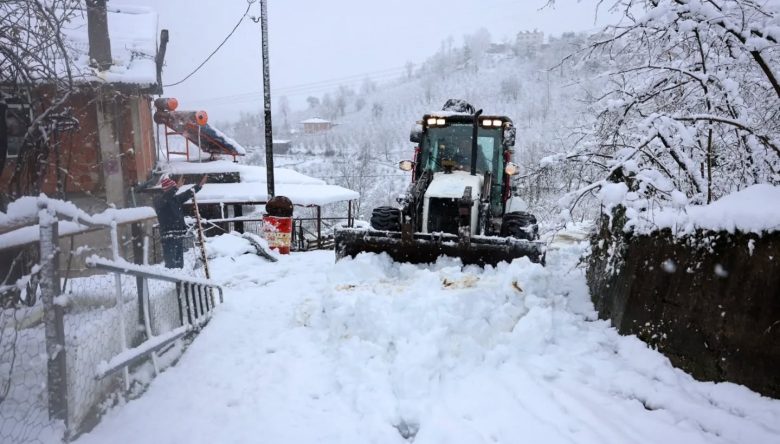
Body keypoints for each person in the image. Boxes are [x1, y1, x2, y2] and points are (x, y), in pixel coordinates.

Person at [153, 174, 207, 268]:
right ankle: (171, 277)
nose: (175, 191)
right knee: (171, 265)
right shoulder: (159, 200)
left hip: (178, 235)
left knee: (179, 264)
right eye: (173, 188)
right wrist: (176, 187)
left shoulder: (175, 199)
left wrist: (199, 186)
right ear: (167, 189)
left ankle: (179, 275)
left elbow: (187, 194)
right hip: (169, 237)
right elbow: (166, 198)